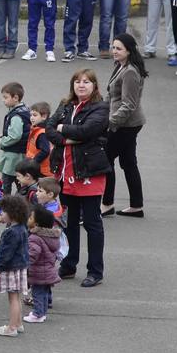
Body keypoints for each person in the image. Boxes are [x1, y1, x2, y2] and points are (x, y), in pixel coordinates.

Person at [50, 67, 111, 287]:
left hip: (88, 173)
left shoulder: (101, 108)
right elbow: (49, 128)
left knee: (93, 223)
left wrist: (63, 129)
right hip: (66, 174)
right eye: (77, 81)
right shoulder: (66, 105)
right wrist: (66, 138)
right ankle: (68, 264)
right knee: (70, 223)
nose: (81, 85)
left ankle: (95, 270)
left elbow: (87, 131)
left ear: (94, 86)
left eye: (86, 81)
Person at [103, 33, 147, 217]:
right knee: (129, 163)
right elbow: (112, 95)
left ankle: (107, 204)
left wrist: (110, 123)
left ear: (129, 51)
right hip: (126, 123)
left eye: (118, 48)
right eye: (113, 47)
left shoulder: (130, 71)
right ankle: (136, 206)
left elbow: (129, 104)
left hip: (125, 125)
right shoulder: (120, 66)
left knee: (105, 161)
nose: (114, 51)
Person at [0, 194, 30, 337]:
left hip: (11, 267)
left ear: (12, 213)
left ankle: (11, 328)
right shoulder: (21, 227)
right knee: (16, 296)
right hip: (20, 266)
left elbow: (6, 253)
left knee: (12, 298)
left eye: (4, 211)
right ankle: (18, 324)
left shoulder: (12, 232)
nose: (1, 214)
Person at [24, 204, 62, 324]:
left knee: (37, 294)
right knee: (44, 293)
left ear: (36, 224)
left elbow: (33, 255)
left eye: (30, 218)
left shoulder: (34, 237)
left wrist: (24, 263)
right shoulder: (50, 236)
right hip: (48, 270)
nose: (28, 219)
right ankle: (43, 312)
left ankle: (37, 314)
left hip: (38, 272)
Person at [0, 81, 30, 191]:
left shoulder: (16, 115)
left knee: (7, 182)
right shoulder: (25, 110)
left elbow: (15, 136)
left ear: (15, 98)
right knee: (21, 183)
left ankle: (7, 205)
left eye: (5, 97)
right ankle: (22, 202)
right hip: (22, 153)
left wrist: (2, 141)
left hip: (13, 156)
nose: (3, 100)